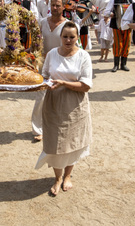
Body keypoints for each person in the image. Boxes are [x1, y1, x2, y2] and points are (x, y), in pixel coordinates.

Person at [35, 21, 92, 196]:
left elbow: (86, 85)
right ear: (60, 37)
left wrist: (63, 83)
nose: (68, 40)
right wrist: (38, 82)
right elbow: (44, 75)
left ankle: (67, 175)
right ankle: (57, 177)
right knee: (54, 142)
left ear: (77, 38)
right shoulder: (52, 54)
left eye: (72, 37)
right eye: (65, 36)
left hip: (75, 104)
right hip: (53, 103)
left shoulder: (83, 56)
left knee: (71, 142)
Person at [31, 0, 71, 142]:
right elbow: (36, 42)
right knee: (40, 97)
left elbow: (72, 45)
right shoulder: (42, 22)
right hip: (43, 65)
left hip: (61, 64)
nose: (55, 8)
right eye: (52, 5)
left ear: (63, 7)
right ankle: (38, 129)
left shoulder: (68, 25)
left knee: (61, 97)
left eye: (58, 5)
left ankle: (60, 127)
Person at [104, 0, 133, 72]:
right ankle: (116, 64)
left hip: (128, 25)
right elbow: (106, 11)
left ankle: (123, 64)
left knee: (126, 43)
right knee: (117, 44)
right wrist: (111, 14)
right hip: (116, 24)